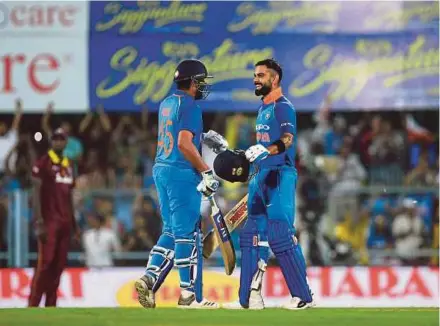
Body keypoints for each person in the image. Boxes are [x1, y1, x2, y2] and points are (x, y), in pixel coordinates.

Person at [223, 58, 314, 310]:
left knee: (279, 235)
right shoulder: (262, 109)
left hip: (280, 175)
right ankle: (249, 298)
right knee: (251, 235)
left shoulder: (283, 107)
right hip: (259, 176)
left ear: (274, 79)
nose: (256, 79)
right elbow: (260, 148)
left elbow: (287, 139)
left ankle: (303, 297)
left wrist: (266, 150)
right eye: (255, 75)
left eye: (261, 75)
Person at [134, 59, 221, 309]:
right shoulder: (191, 105)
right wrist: (206, 172)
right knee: (186, 234)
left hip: (161, 169)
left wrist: (204, 139)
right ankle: (187, 296)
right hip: (181, 172)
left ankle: (149, 278)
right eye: (201, 81)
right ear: (193, 82)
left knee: (171, 231)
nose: (203, 86)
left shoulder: (167, 103)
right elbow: (184, 143)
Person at [28, 128, 80, 307]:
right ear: (51, 141)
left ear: (66, 142)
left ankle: (51, 305)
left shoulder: (69, 165)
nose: (58, 142)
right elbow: (35, 192)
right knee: (45, 264)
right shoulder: (43, 163)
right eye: (55, 139)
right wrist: (39, 221)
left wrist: (75, 225)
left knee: (58, 266)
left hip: (65, 222)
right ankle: (33, 304)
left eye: (62, 139)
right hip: (49, 222)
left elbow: (70, 196)